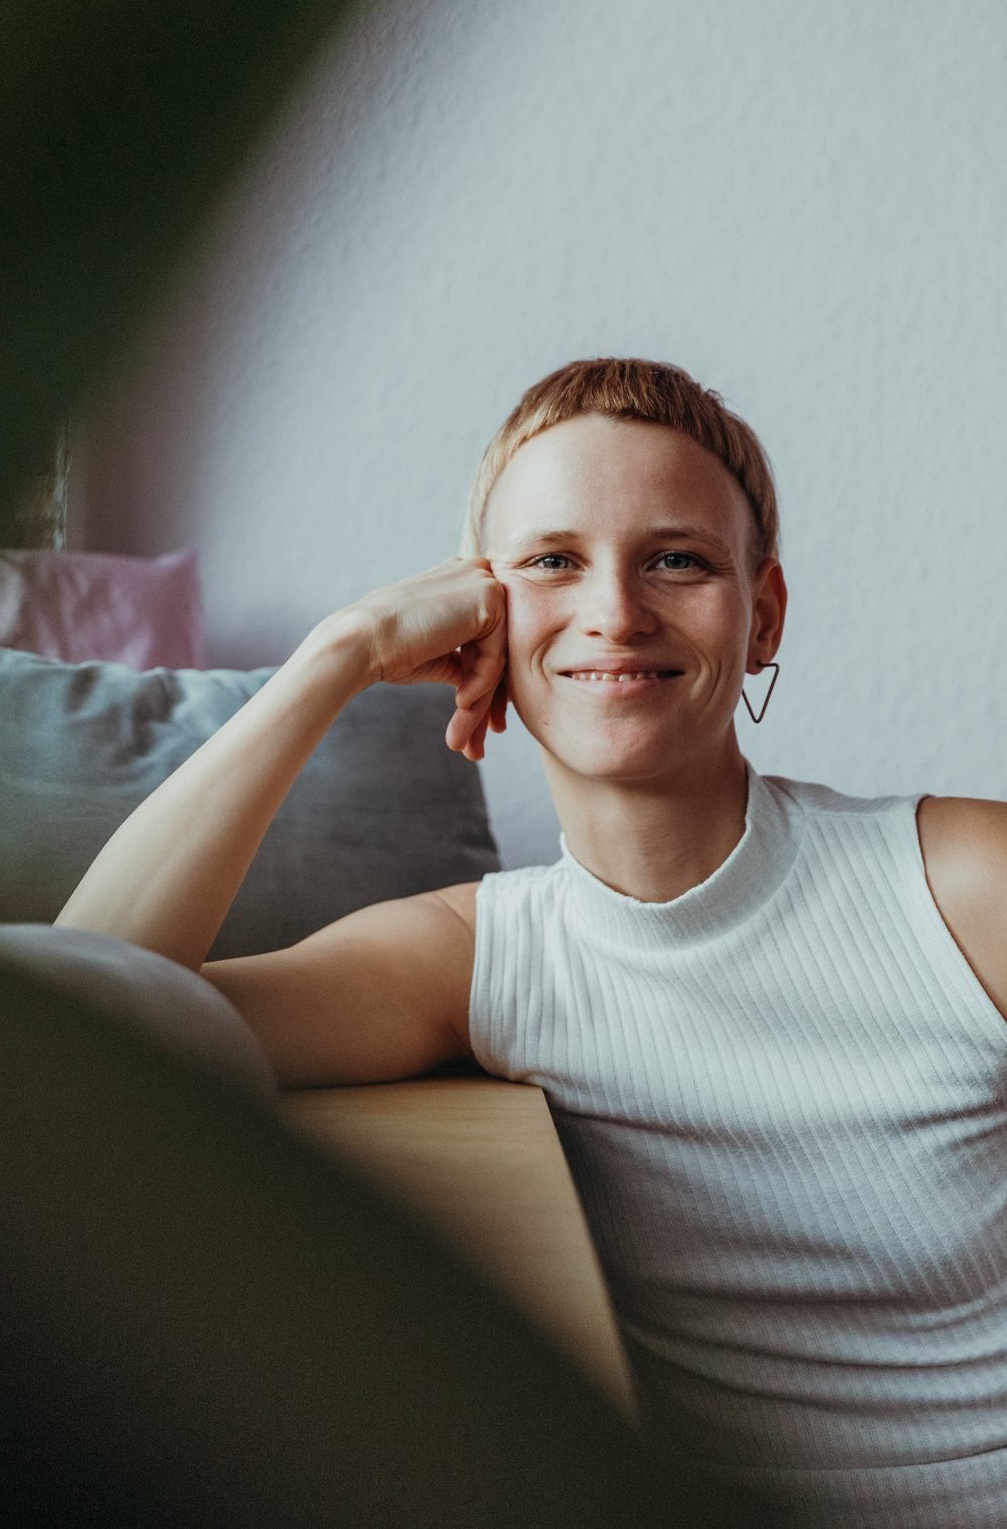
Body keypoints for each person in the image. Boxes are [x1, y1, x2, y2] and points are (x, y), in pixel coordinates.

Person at [57, 358, 1007, 1526]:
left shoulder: (962, 882)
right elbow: (75, 1016)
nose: (615, 608)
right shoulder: (473, 961)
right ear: (477, 618)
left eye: (676, 557)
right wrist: (339, 655)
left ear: (759, 615)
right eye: (552, 561)